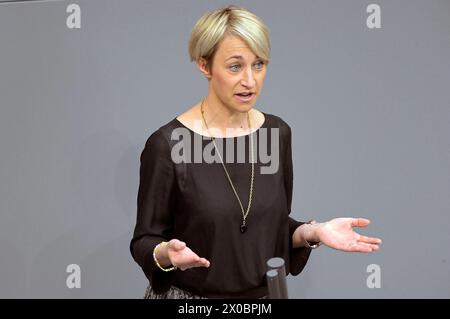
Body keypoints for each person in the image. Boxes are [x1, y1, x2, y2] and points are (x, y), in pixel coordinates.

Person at [130, 5, 382, 299]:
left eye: (259, 64)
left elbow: (268, 228)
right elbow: (144, 241)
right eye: (235, 66)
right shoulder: (168, 144)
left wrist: (313, 232)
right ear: (204, 65)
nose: (250, 81)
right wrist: (166, 254)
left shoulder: (277, 133)